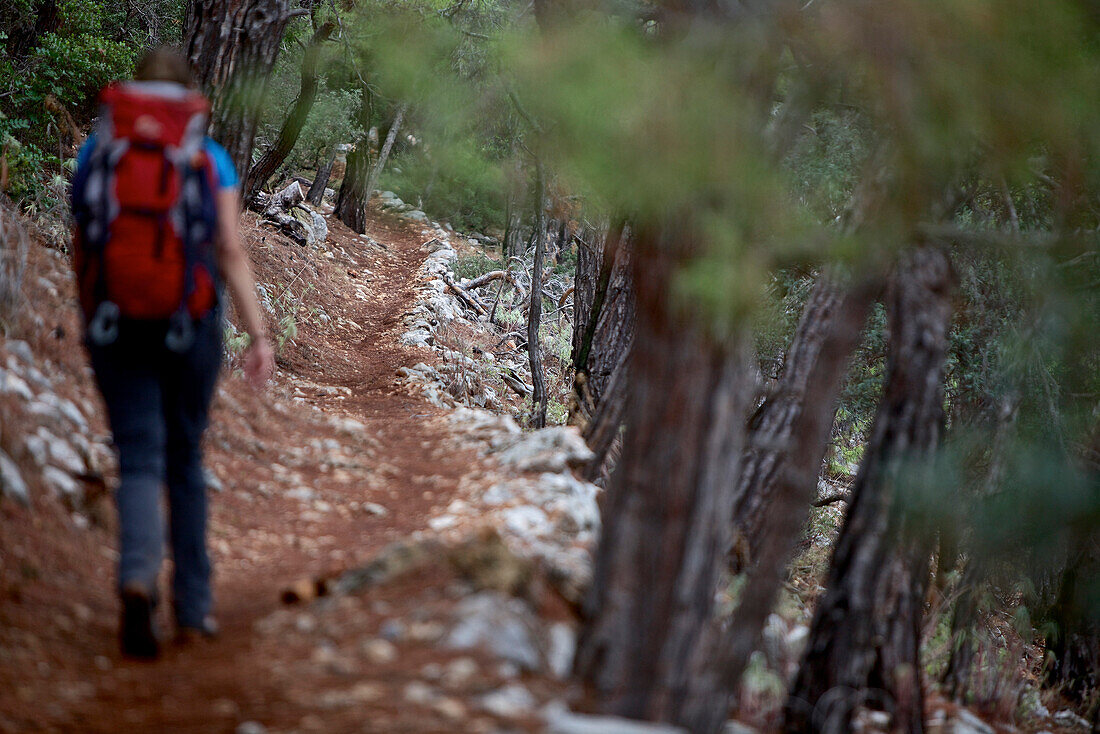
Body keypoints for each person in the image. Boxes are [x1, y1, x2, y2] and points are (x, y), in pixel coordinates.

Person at [71, 47, 274, 659]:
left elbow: (85, 242)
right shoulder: (207, 157)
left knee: (137, 455)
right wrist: (259, 335)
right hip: (190, 326)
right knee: (184, 454)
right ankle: (193, 605)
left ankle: (136, 580)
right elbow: (230, 251)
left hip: (115, 323)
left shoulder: (101, 151)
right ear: (188, 99)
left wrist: (92, 319)